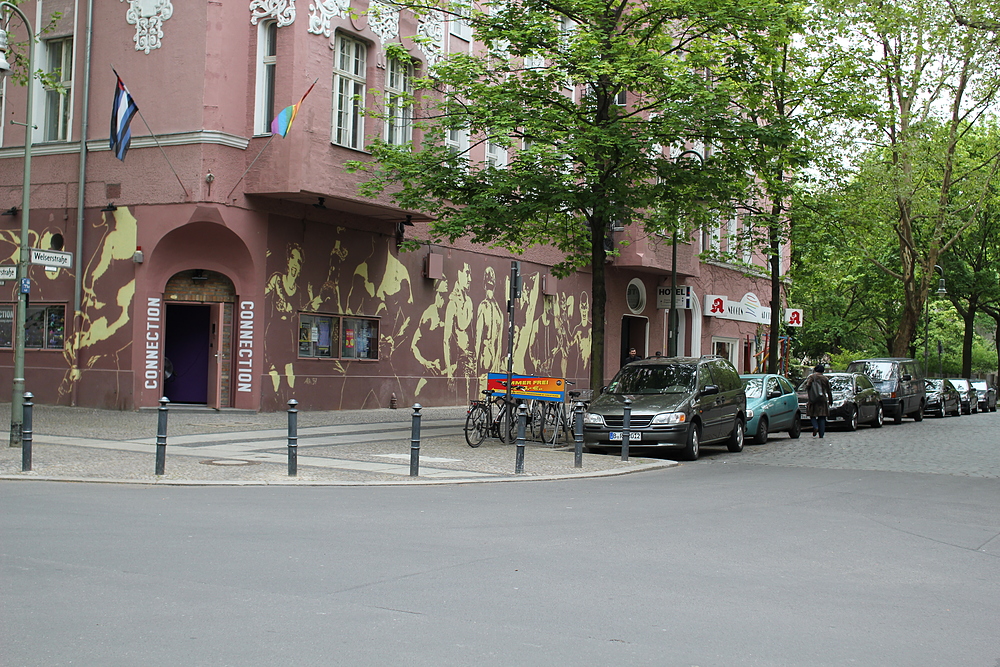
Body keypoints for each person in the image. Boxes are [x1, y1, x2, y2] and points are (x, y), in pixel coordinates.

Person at [804, 364, 834, 439]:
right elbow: (828, 390)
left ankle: (815, 426)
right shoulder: (825, 378)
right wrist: (830, 400)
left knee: (812, 414)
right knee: (822, 416)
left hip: (813, 399)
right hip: (822, 399)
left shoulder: (811, 377)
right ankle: (821, 434)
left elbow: (807, 386)